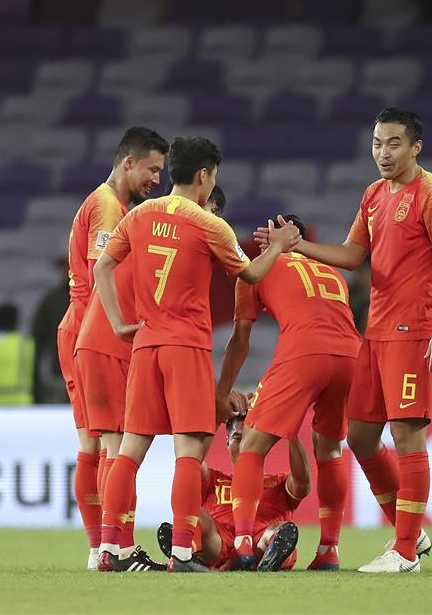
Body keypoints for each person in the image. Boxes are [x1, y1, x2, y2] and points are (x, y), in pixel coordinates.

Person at [255, 107, 432, 573]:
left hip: (415, 329)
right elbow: (352, 255)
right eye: (376, 143)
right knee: (362, 437)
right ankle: (409, 530)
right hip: (376, 332)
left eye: (393, 143)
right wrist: (297, 244)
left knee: (408, 434)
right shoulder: (373, 195)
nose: (383, 153)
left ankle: (405, 550)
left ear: (415, 147)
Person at [93, 136, 301, 573]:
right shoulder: (210, 224)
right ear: (205, 175)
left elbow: (102, 267)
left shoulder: (140, 214)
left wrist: (116, 323)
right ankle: (184, 553)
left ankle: (109, 549)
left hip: (146, 343)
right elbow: (251, 272)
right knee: (189, 451)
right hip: (185, 345)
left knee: (129, 451)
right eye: (214, 177)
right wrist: (279, 245)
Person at [73, 185, 228, 572]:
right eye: (214, 209)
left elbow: (100, 266)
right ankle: (147, 551)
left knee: (119, 448)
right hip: (125, 340)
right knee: (142, 447)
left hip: (121, 341)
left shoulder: (140, 222)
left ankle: (112, 548)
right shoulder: (195, 228)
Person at [216, 213, 360, 571]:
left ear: (280, 237)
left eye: (267, 234)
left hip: (304, 351)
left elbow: (240, 342)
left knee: (250, 443)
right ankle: (329, 550)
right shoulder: (331, 271)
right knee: (329, 448)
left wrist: (222, 391)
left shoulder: (255, 269)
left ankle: (245, 541)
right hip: (352, 355)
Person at [56, 126, 169, 569]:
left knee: (94, 444)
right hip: (94, 330)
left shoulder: (108, 203)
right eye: (152, 169)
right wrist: (120, 327)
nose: (156, 179)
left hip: (80, 330)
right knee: (115, 444)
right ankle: (111, 545)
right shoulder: (107, 208)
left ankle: (98, 546)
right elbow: (100, 271)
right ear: (128, 162)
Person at [155, 415, 311, 571]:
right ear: (227, 442)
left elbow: (302, 483)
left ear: (264, 443)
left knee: (281, 530)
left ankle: (268, 561)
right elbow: (192, 459)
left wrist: (292, 435)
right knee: (196, 515)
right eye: (238, 437)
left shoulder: (279, 482)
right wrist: (216, 418)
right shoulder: (212, 478)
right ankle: (187, 552)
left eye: (250, 438)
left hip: (260, 543)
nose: (245, 445)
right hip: (218, 543)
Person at [30, 255, 70, 404]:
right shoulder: (51, 301)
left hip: (89, 373)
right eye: (64, 266)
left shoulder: (95, 294)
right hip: (60, 373)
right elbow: (38, 338)